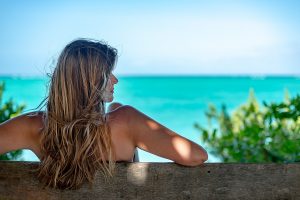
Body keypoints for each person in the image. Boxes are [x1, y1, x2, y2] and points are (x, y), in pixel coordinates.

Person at [0, 38, 208, 189]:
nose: (115, 80)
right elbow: (197, 156)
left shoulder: (31, 126)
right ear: (89, 81)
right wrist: (118, 113)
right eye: (108, 74)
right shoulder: (126, 121)